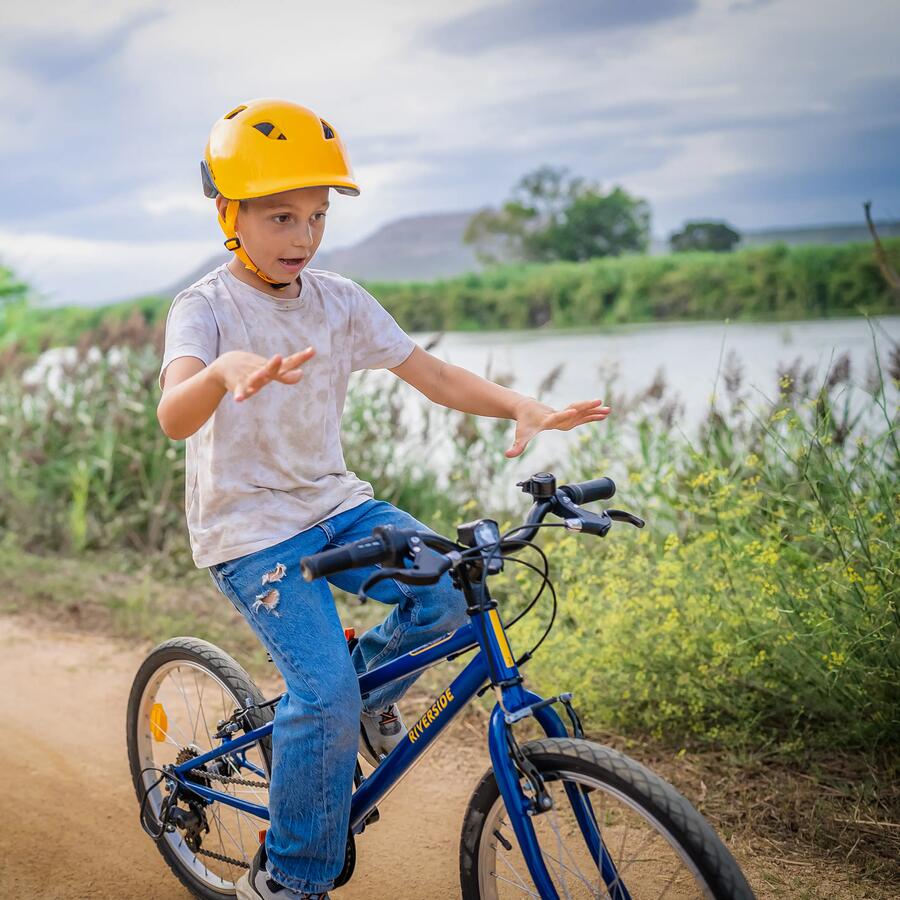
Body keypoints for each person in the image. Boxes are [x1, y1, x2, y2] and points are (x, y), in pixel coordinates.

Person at [156, 98, 611, 900]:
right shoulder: (207, 309)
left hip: (340, 507)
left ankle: (361, 706)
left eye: (317, 217)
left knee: (449, 593)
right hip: (252, 533)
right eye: (281, 218)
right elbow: (172, 413)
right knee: (322, 692)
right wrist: (218, 375)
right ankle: (292, 879)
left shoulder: (338, 299)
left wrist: (519, 405)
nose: (303, 237)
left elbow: (431, 375)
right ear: (228, 214)